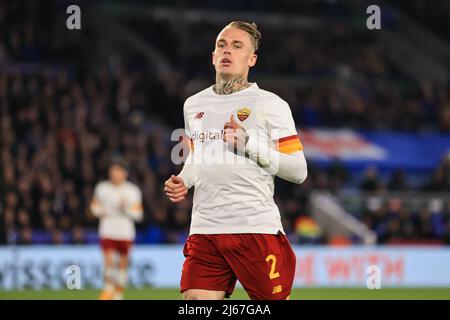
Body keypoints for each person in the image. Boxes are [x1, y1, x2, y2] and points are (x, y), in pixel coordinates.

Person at [164, 21, 308, 300]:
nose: (227, 50)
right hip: (206, 228)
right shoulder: (193, 104)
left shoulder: (271, 104)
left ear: (251, 59)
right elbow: (196, 156)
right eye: (222, 45)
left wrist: (250, 145)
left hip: (255, 228)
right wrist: (185, 180)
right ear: (213, 57)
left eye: (237, 45)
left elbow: (299, 171)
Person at [90, 158, 143, 300]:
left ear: (125, 173)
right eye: (113, 170)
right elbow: (94, 207)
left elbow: (138, 214)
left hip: (125, 231)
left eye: (118, 170)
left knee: (122, 265)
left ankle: (118, 293)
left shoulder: (132, 190)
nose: (115, 173)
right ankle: (108, 289)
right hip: (107, 229)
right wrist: (101, 211)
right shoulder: (102, 188)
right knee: (108, 261)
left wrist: (125, 208)